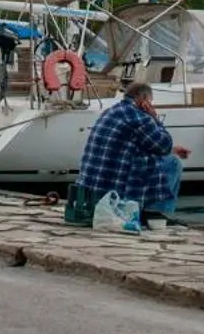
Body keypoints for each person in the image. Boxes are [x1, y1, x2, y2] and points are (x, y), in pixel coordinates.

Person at [76, 82, 190, 228]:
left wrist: (172, 149)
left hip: (94, 187)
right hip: (117, 189)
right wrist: (155, 118)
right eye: (150, 101)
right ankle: (154, 214)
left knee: (162, 157)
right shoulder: (140, 117)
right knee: (173, 164)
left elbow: (131, 143)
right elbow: (163, 144)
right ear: (143, 99)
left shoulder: (112, 111)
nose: (151, 104)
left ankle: (149, 212)